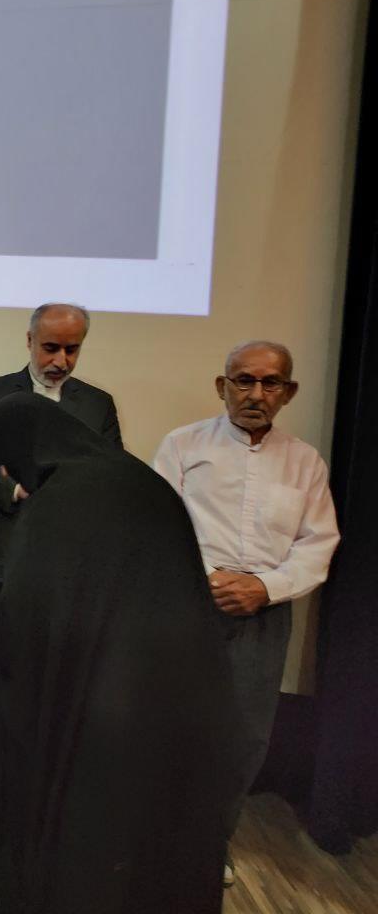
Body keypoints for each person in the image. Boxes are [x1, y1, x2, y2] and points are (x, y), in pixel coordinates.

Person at [0, 393, 235, 914]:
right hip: (177, 699)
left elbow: (31, 614)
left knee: (82, 845)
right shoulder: (139, 481)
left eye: (8, 462)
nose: (10, 473)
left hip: (96, 708)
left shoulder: (64, 497)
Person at [154, 340, 339, 886]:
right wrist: (206, 581)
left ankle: (210, 845)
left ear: (289, 392)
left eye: (270, 382)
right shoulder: (182, 445)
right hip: (188, 609)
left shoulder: (305, 462)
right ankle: (156, 842)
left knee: (242, 739)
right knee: (172, 728)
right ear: (222, 385)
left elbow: (318, 543)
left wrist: (263, 586)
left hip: (263, 615)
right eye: (243, 380)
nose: (256, 394)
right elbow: (157, 522)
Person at [0, 303, 121, 559]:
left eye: (72, 350)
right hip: (5, 537)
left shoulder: (99, 404)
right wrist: (10, 488)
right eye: (51, 348)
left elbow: (114, 473)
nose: (61, 361)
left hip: (74, 542)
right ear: (29, 340)